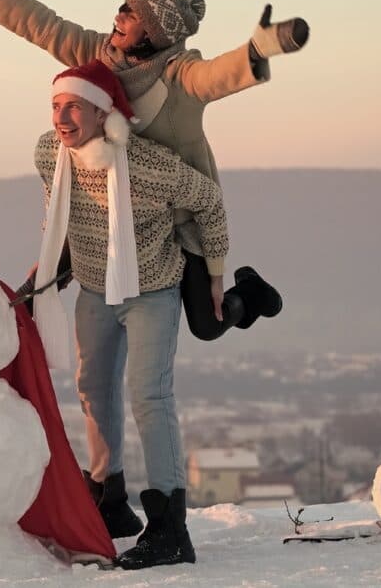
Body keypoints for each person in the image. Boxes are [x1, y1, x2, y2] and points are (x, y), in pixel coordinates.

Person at [0, 0, 310, 342]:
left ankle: (251, 293)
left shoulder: (181, 74)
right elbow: (43, 26)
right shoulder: (100, 53)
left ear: (154, 33)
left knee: (207, 325)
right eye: (121, 9)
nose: (118, 17)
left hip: (174, 206)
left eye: (131, 16)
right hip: (107, 201)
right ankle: (3, 338)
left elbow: (217, 75)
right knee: (46, 277)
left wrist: (257, 50)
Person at [20, 59, 231, 569]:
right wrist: (47, 269)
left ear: (104, 113)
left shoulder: (150, 167)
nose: (61, 118)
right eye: (55, 106)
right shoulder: (50, 153)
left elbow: (209, 200)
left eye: (74, 107)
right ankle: (109, 501)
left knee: (149, 396)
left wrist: (216, 273)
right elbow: (57, 212)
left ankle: (170, 528)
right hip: (94, 288)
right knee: (93, 388)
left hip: (151, 291)